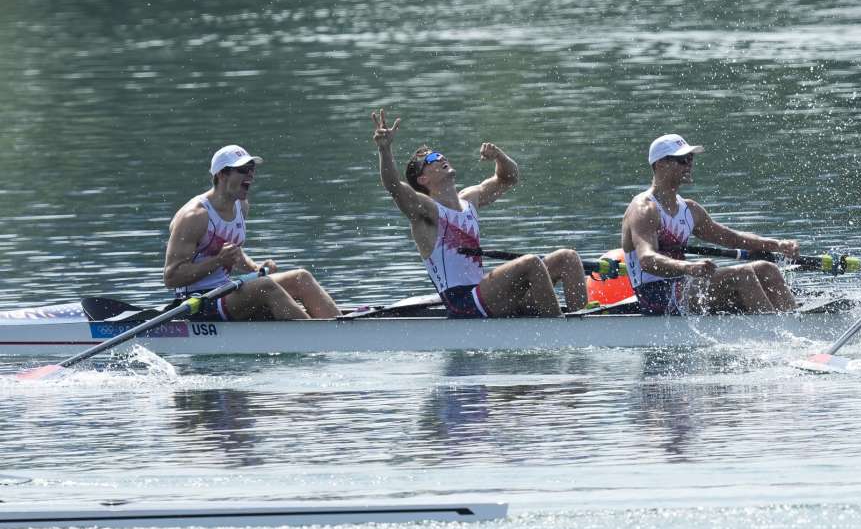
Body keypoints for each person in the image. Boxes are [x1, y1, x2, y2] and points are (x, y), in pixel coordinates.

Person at [371, 110, 587, 318]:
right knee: (531, 262)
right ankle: (560, 330)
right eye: (432, 159)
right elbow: (393, 186)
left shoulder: (470, 199)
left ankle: (582, 322)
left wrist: (499, 157)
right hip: (463, 303)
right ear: (422, 180)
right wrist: (384, 149)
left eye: (439, 154)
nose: (440, 157)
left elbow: (509, 178)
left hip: (486, 296)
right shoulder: (426, 211)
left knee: (567, 258)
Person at [620, 133, 800, 315]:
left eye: (690, 158)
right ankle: (773, 335)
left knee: (766, 268)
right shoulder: (644, 209)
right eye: (682, 159)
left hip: (682, 284)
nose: (689, 164)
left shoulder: (690, 209)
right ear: (660, 164)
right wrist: (688, 267)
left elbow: (731, 238)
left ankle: (794, 325)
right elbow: (647, 260)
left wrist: (776, 244)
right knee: (742, 274)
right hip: (656, 294)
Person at [164, 145, 341, 321]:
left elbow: (233, 254)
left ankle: (340, 331)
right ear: (222, 174)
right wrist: (218, 261)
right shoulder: (194, 216)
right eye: (243, 170)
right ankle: (315, 337)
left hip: (226, 292)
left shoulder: (241, 206)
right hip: (198, 303)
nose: (250, 175)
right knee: (265, 286)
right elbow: (172, 277)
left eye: (252, 169)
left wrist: (256, 268)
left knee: (301, 277)